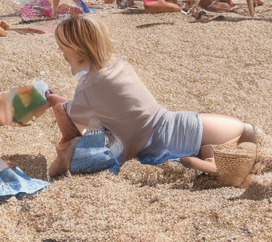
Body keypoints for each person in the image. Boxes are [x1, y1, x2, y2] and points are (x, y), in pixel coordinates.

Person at [44, 14, 258, 179]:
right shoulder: (119, 67)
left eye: (62, 46)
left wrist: (54, 105)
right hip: (205, 125)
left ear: (78, 49)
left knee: (73, 153)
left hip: (193, 136)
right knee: (239, 142)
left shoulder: (89, 86)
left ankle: (208, 165)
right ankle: (222, 160)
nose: (59, 51)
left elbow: (71, 131)